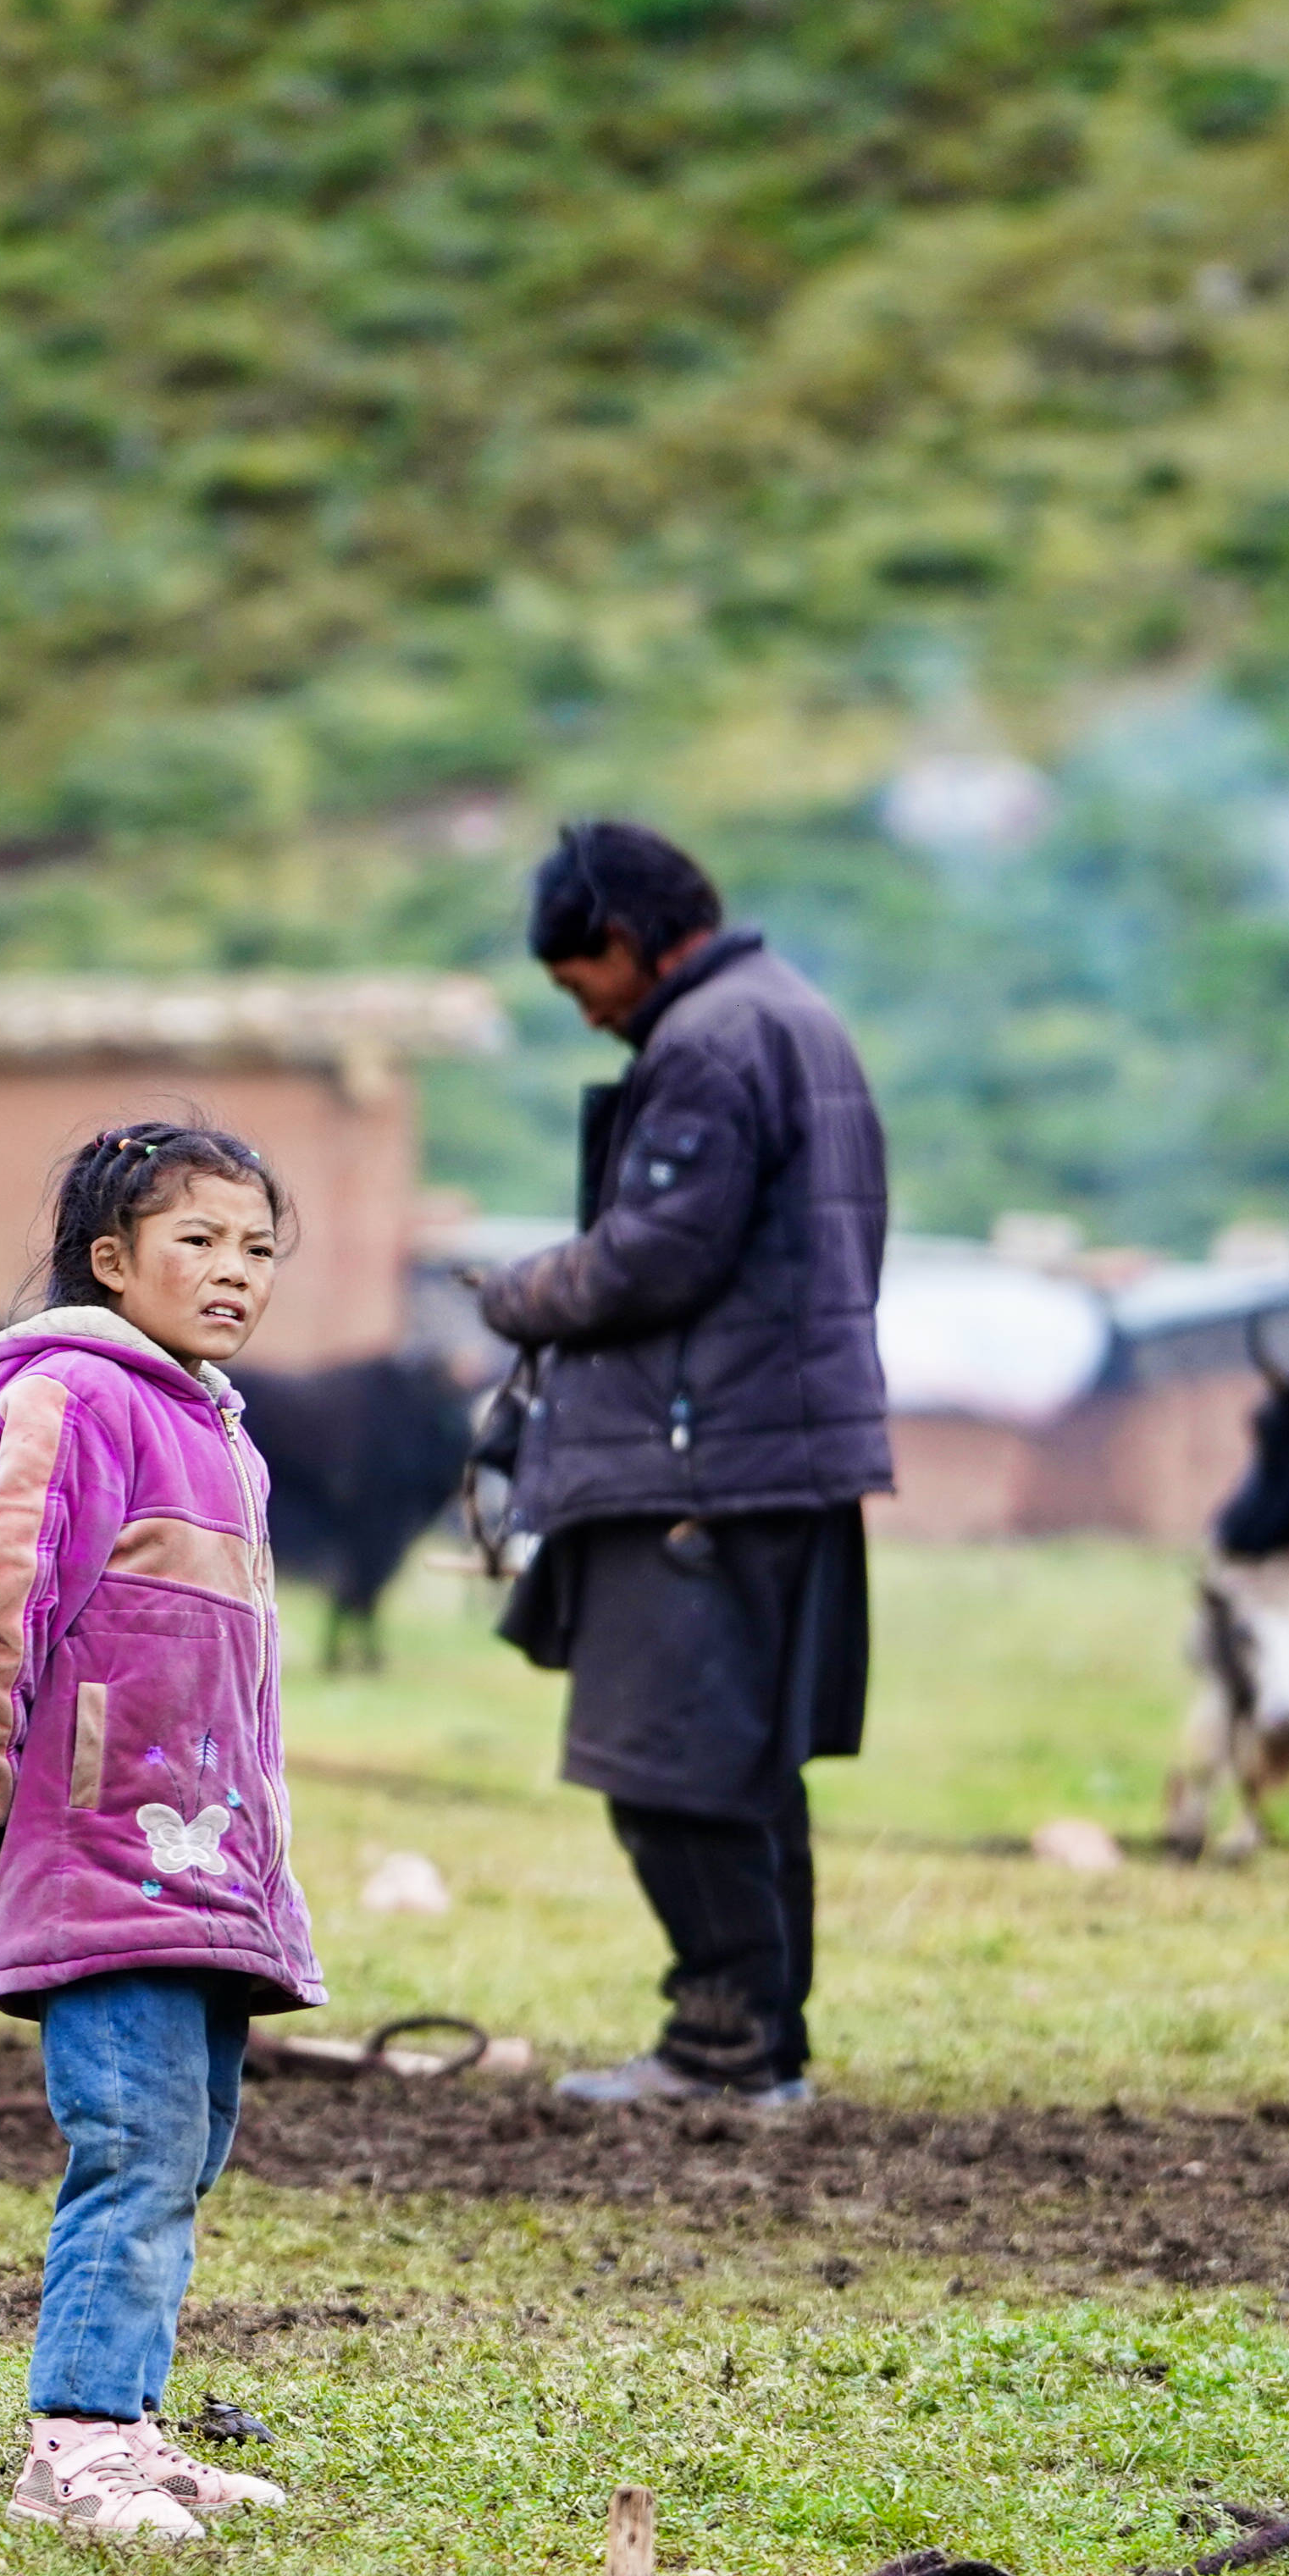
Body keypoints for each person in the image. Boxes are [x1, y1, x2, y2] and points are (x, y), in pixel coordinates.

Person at [0, 1120, 324, 2542]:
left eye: (258, 1247)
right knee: (133, 2138)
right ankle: (73, 2443)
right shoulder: (73, 1398)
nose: (235, 1271)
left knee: (188, 2139)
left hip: (205, 1857)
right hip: (103, 1846)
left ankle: (132, 2428)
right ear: (111, 1260)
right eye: (199, 1241)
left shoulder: (216, 1426)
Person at [477, 820, 892, 2106]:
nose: (586, 1009)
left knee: (669, 1766)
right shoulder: (797, 1018)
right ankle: (763, 2046)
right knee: (746, 1770)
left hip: (700, 1464)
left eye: (577, 980)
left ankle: (720, 2048)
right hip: (779, 1451)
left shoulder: (708, 1039)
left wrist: (520, 1290)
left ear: (620, 939)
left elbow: (660, 1251)